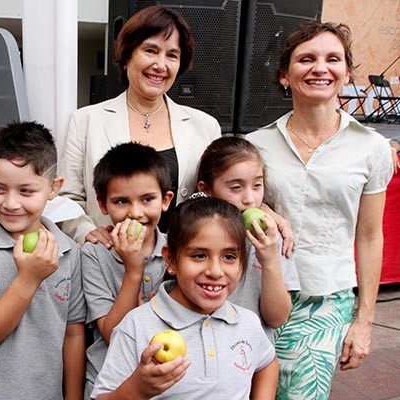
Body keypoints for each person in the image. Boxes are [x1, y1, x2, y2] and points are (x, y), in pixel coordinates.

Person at [246, 22, 394, 399]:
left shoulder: (372, 148)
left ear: (346, 74)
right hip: (255, 295)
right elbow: (235, 205)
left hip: (324, 301)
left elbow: (370, 235)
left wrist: (364, 322)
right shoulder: (256, 144)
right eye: (306, 59)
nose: (320, 68)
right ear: (284, 75)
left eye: (333, 59)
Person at [0, 121, 86, 399]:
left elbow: (73, 333)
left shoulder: (67, 250)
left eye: (26, 191)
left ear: (54, 187)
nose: (10, 203)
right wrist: (29, 278)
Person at [59, 5, 221, 245]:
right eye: (150, 50)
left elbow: (220, 194)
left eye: (172, 55)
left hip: (181, 267)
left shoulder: (206, 126)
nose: (160, 65)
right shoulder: (85, 121)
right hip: (109, 261)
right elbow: (67, 198)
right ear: (126, 57)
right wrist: (87, 232)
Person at [91, 196, 278, 399]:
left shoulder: (247, 323)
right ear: (170, 259)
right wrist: (136, 389)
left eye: (229, 257)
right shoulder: (137, 326)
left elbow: (267, 362)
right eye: (199, 256)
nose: (215, 271)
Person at [82, 142, 175, 398]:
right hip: (109, 386)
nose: (135, 213)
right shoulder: (95, 254)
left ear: (166, 200)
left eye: (147, 199)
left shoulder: (178, 253)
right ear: (102, 204)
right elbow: (113, 334)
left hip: (165, 387)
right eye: (121, 201)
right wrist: (133, 271)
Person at [196, 136, 300, 342]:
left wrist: (269, 259)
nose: (249, 199)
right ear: (205, 189)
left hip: (252, 355)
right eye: (236, 188)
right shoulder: (192, 234)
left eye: (257, 185)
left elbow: (277, 318)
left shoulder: (271, 237)